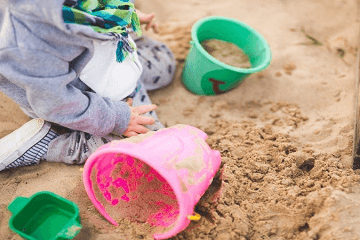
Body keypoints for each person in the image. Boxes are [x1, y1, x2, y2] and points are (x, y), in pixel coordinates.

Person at [0, 0, 176, 171]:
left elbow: (96, 6)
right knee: (149, 141)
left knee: (165, 65)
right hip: (81, 99)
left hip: (109, 61)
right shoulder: (27, 43)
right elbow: (56, 103)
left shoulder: (76, 6)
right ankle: (52, 144)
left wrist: (123, 15)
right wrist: (117, 118)